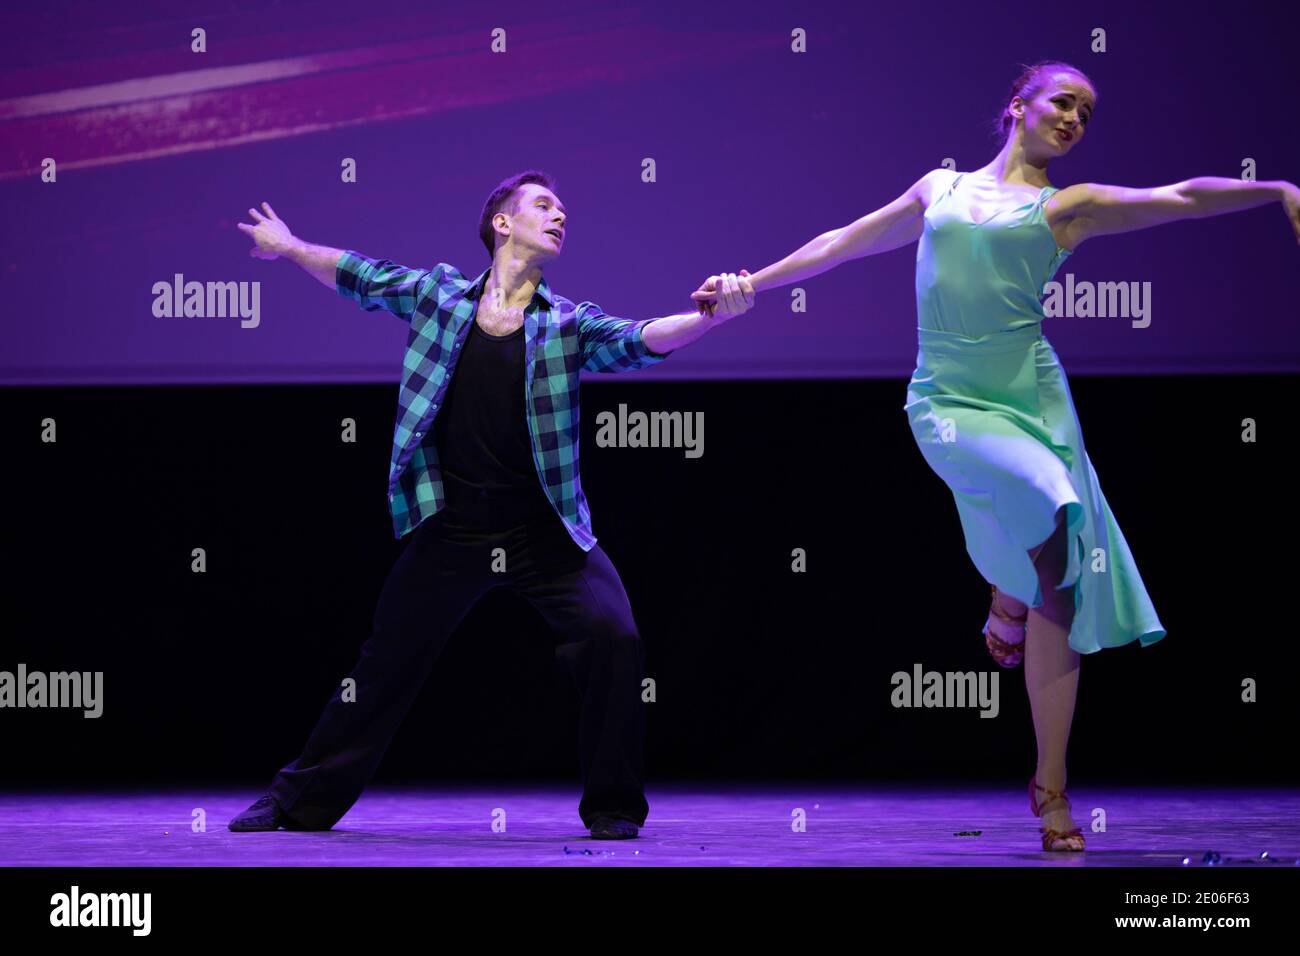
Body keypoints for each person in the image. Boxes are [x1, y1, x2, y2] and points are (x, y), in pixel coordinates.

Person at [693, 61, 1300, 851]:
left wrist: (1279, 189)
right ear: (1018, 105)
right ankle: (1006, 597)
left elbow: (1179, 197)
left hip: (1033, 394)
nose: (1075, 118)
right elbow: (843, 240)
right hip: (947, 400)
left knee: (1063, 544)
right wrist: (753, 282)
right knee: (1035, 503)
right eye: (1062, 101)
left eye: (1087, 111)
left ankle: (1050, 781)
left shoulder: (1066, 210)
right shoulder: (939, 188)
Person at [228, 169, 754, 839]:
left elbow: (640, 338)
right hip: (454, 527)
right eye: (543, 205)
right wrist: (291, 244)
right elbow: (358, 275)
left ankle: (615, 808)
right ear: (502, 223)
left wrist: (708, 318)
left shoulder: (565, 323)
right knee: (384, 664)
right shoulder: (439, 296)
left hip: (544, 530)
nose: (559, 215)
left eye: (564, 208)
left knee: (613, 638)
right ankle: (295, 801)